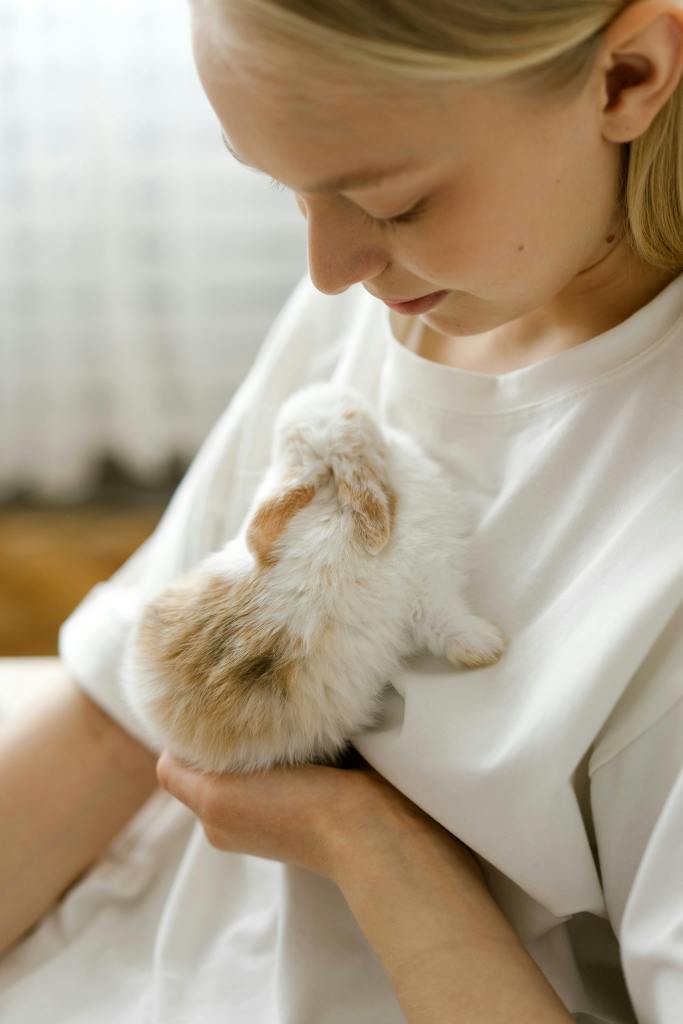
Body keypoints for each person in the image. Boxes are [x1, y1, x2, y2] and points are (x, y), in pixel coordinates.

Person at [1, 0, 682, 1020]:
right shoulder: (410, 293)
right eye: (286, 188)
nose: (326, 273)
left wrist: (361, 839)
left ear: (628, 79)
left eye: (394, 204)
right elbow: (113, 721)